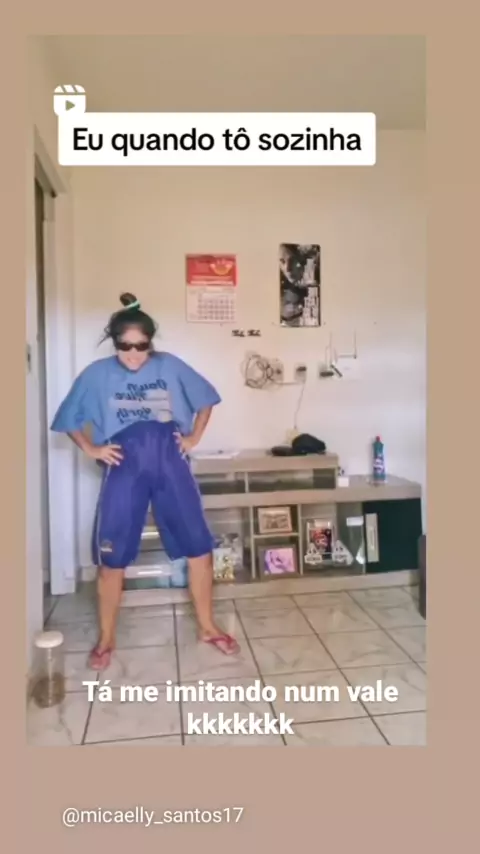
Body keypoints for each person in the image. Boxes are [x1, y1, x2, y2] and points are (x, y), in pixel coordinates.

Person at [50, 293, 240, 669]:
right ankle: (106, 638)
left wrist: (193, 438)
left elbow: (207, 399)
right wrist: (91, 448)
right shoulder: (96, 375)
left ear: (150, 343)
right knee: (112, 556)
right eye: (126, 347)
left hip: (170, 463)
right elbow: (68, 418)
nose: (134, 355)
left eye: (141, 346)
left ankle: (207, 627)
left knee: (199, 547)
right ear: (114, 342)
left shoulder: (170, 365)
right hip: (125, 466)